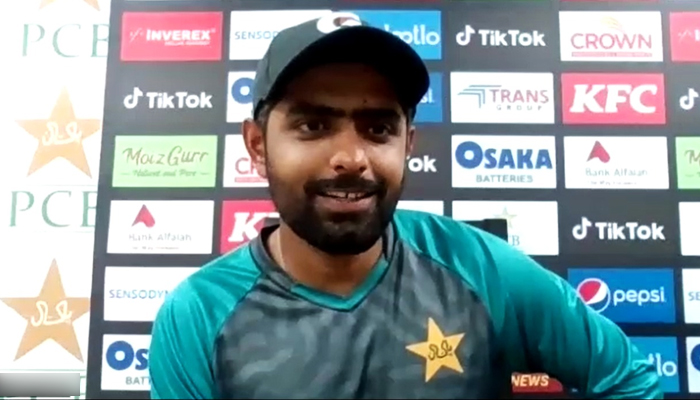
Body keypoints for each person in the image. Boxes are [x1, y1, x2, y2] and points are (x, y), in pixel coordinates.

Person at [148, 12, 662, 399]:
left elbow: (630, 382)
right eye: (313, 126)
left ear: (408, 143)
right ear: (258, 146)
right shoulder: (199, 314)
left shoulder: (479, 268)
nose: (350, 158)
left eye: (378, 129)